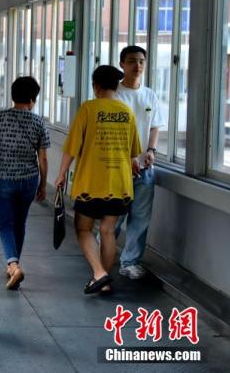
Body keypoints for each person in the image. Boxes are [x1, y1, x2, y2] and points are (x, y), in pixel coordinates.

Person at [54, 65, 141, 295]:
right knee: (108, 231)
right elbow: (133, 154)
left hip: (91, 184)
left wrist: (61, 174)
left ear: (96, 86)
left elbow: (72, 148)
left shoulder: (88, 109)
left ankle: (100, 273)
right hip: (119, 184)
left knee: (83, 229)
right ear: (115, 87)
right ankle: (104, 281)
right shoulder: (127, 112)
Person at [0, 76, 50, 290]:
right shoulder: (38, 122)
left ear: (12, 96)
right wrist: (43, 184)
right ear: (32, 99)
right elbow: (43, 158)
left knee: (5, 223)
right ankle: (13, 264)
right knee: (20, 223)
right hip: (28, 180)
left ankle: (13, 265)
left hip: (4, 178)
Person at [114, 46, 165, 279]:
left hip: (145, 168)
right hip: (118, 168)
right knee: (114, 217)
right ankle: (101, 254)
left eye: (142, 61)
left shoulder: (149, 94)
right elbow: (112, 131)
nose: (138, 66)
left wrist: (151, 150)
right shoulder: (114, 94)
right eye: (132, 61)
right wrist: (128, 156)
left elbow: (154, 125)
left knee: (140, 218)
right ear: (122, 64)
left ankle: (130, 262)